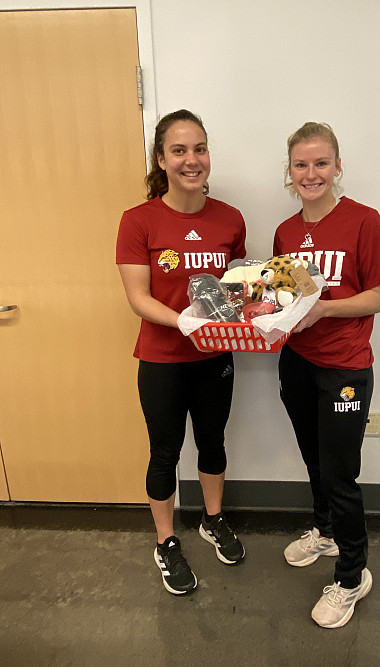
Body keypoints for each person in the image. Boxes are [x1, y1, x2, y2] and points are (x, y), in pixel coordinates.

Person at [116, 109, 246, 596]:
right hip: (162, 361)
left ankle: (213, 520)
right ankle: (167, 541)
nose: (192, 160)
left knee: (213, 444)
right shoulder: (138, 220)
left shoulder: (230, 218)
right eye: (180, 150)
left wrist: (262, 314)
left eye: (200, 149)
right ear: (162, 158)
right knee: (165, 452)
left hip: (215, 360)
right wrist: (184, 321)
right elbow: (138, 297)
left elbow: (235, 290)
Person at [274, 122, 380, 628]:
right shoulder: (285, 231)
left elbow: (379, 297)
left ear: (337, 166)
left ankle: (352, 576)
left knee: (340, 472)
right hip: (297, 362)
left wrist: (325, 310)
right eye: (301, 165)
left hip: (345, 366)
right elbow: (281, 295)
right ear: (290, 172)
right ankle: (325, 532)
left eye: (321, 163)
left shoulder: (364, 221)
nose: (311, 173)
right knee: (313, 458)